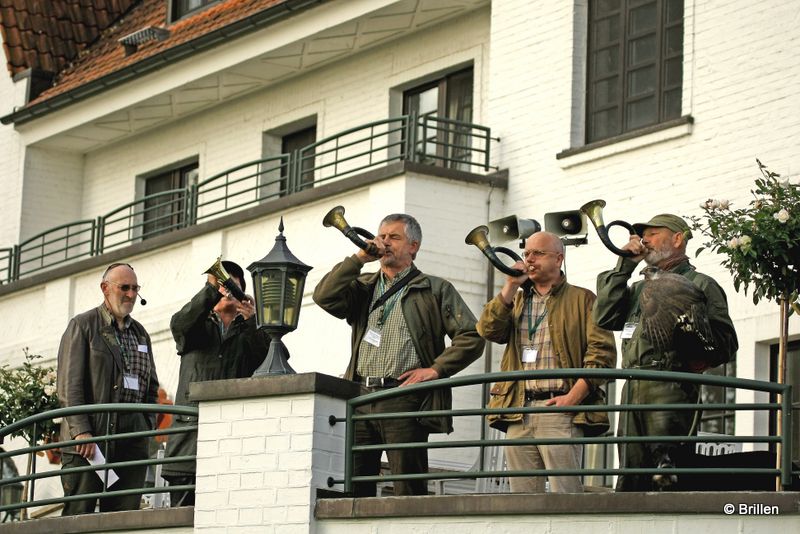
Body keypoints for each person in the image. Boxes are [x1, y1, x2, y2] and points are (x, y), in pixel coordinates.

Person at [313, 213, 484, 497]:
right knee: (354, 487)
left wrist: (436, 370)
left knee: (409, 487)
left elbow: (472, 336)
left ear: (413, 246)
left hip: (404, 398)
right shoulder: (364, 285)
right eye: (382, 236)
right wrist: (358, 259)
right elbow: (323, 296)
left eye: (394, 237)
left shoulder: (435, 288)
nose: (385, 242)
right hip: (360, 395)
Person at [593, 214, 738, 491]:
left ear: (677, 238)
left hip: (672, 384)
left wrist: (691, 355)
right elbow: (603, 317)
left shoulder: (701, 283)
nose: (645, 240)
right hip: (633, 385)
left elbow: (725, 343)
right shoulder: (637, 287)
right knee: (631, 474)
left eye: (653, 234)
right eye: (643, 236)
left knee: (668, 471)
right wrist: (623, 266)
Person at [477, 231, 616, 493]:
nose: (530, 259)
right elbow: (488, 330)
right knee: (523, 501)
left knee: (565, 495)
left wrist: (573, 398)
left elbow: (602, 354)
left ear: (558, 259)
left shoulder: (583, 299)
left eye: (538, 253)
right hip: (518, 409)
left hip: (560, 408)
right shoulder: (515, 299)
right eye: (526, 253)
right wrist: (509, 285)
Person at [162, 261, 268, 506]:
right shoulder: (197, 327)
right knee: (184, 522)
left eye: (233, 284)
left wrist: (254, 321)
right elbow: (180, 324)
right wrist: (210, 290)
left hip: (232, 447)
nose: (227, 288)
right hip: (188, 449)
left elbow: (270, 360)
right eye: (223, 283)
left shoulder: (251, 330)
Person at [57, 262, 159, 515]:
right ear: (105, 288)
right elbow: (69, 386)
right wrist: (81, 432)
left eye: (135, 288)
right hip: (91, 442)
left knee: (122, 518)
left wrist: (147, 426)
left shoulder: (140, 334)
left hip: (131, 441)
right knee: (79, 518)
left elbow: (151, 386)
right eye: (124, 287)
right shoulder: (83, 325)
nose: (131, 295)